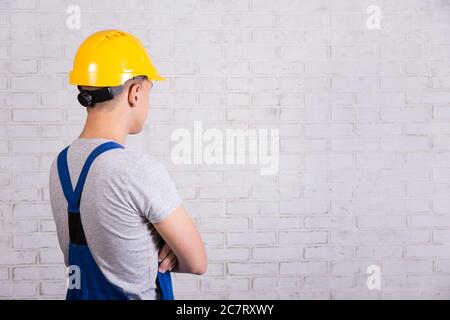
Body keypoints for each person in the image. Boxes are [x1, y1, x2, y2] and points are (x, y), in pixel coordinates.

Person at [48, 30, 207, 300]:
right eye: (148, 90)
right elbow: (197, 262)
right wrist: (163, 242)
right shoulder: (136, 169)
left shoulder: (61, 165)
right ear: (135, 92)